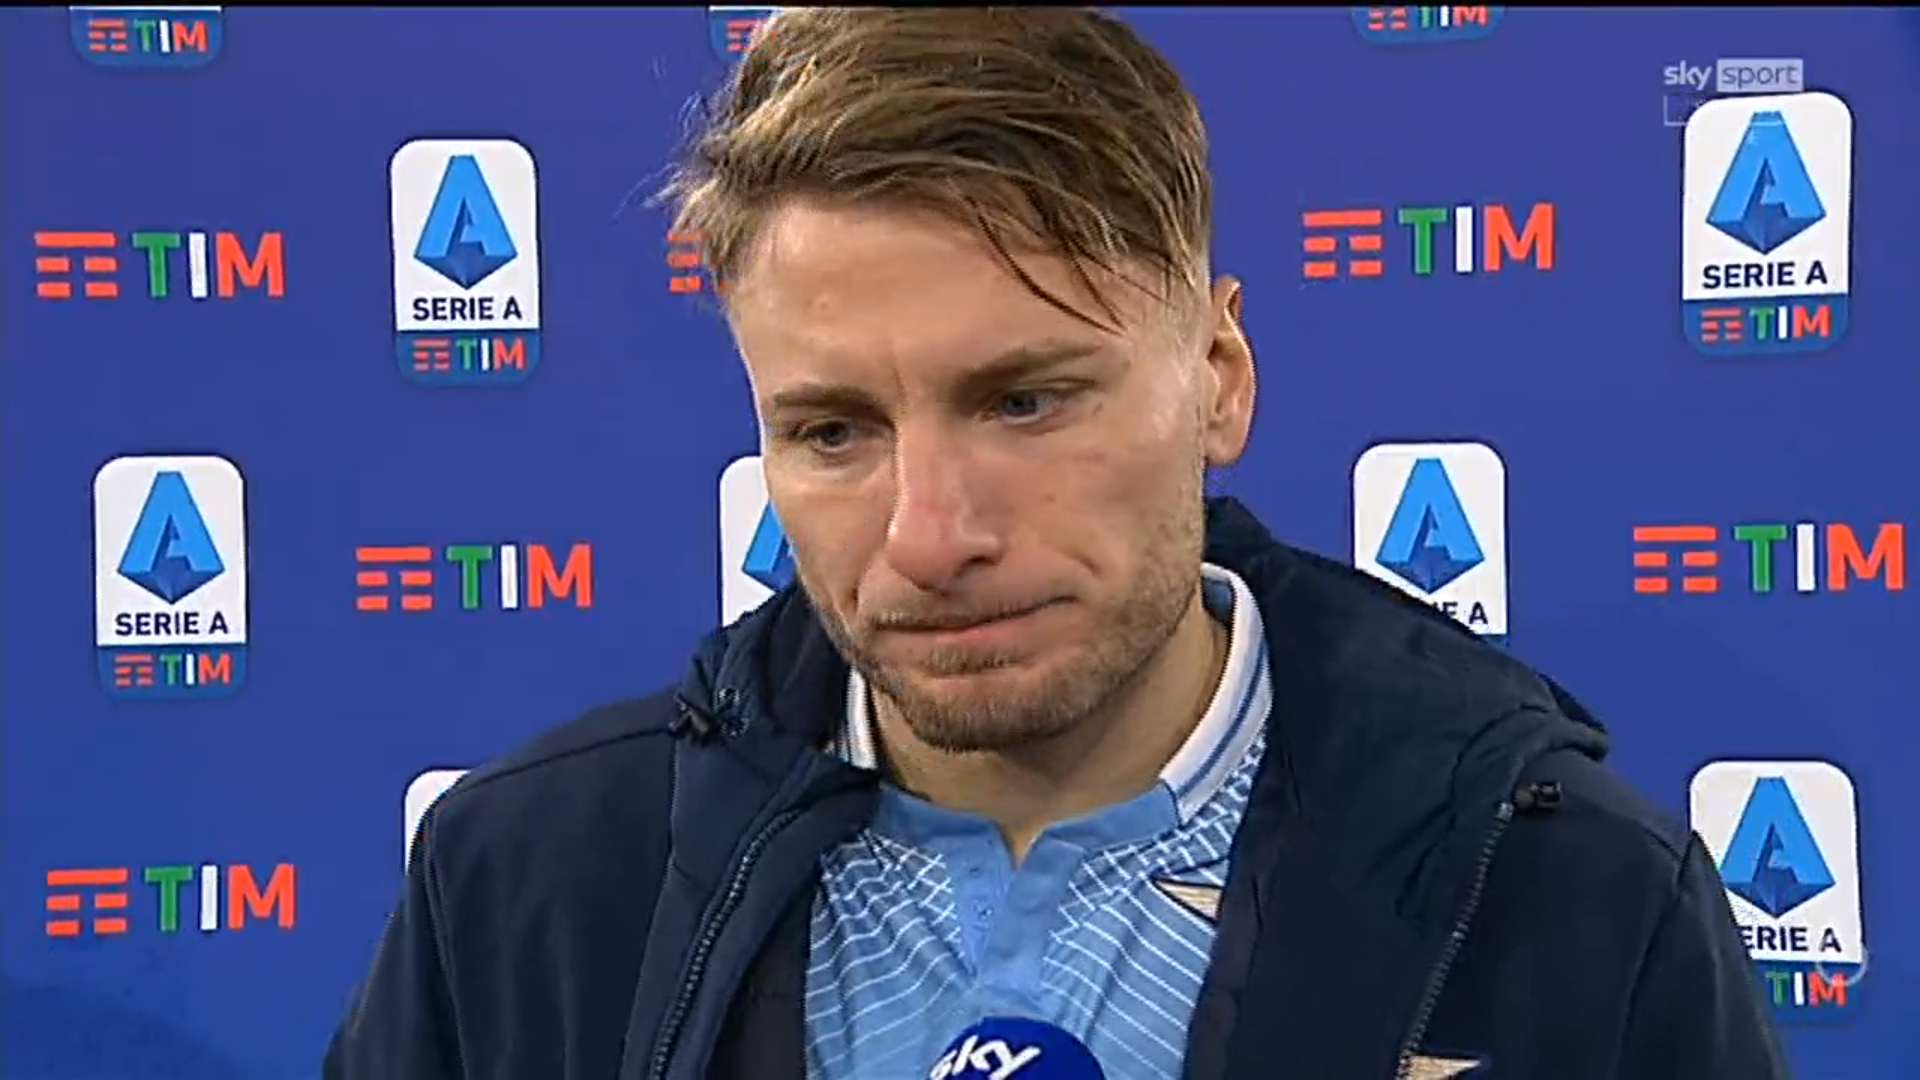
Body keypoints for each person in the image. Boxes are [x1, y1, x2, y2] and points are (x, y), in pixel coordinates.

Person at [324, 8, 1787, 1079]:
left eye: (1024, 401)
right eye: (833, 432)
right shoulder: (520, 889)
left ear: (1218, 378)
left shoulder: (1574, 903)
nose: (930, 537)